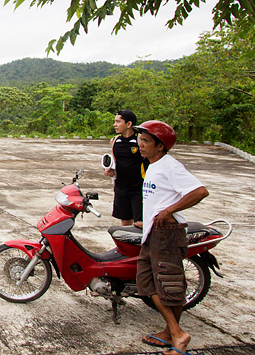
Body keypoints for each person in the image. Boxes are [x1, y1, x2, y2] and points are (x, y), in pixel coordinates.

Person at [135, 120, 209, 355]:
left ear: (160, 146)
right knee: (147, 282)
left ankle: (176, 335)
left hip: (167, 234)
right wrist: (146, 220)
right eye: (141, 140)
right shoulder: (153, 165)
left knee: (169, 285)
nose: (141, 144)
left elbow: (199, 191)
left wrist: (168, 211)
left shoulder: (169, 165)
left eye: (146, 141)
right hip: (153, 232)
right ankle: (173, 331)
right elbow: (159, 198)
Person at [103, 110, 148, 228]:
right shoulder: (114, 141)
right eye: (115, 122)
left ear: (128, 124)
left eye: (118, 121)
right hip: (121, 188)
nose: (115, 125)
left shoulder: (141, 140)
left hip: (139, 189)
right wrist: (109, 172)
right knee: (125, 223)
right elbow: (115, 163)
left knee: (140, 223)